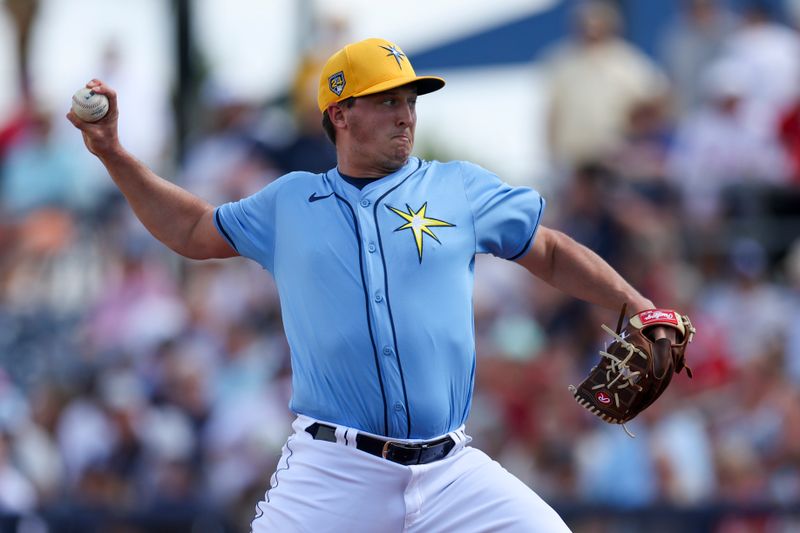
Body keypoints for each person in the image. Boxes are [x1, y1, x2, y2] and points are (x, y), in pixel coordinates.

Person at [68, 37, 675, 533]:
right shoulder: (290, 202)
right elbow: (195, 229)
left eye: (409, 98)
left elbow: (546, 247)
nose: (405, 112)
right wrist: (114, 154)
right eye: (385, 100)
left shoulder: (455, 187)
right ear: (340, 113)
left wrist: (637, 304)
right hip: (334, 471)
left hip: (450, 472)